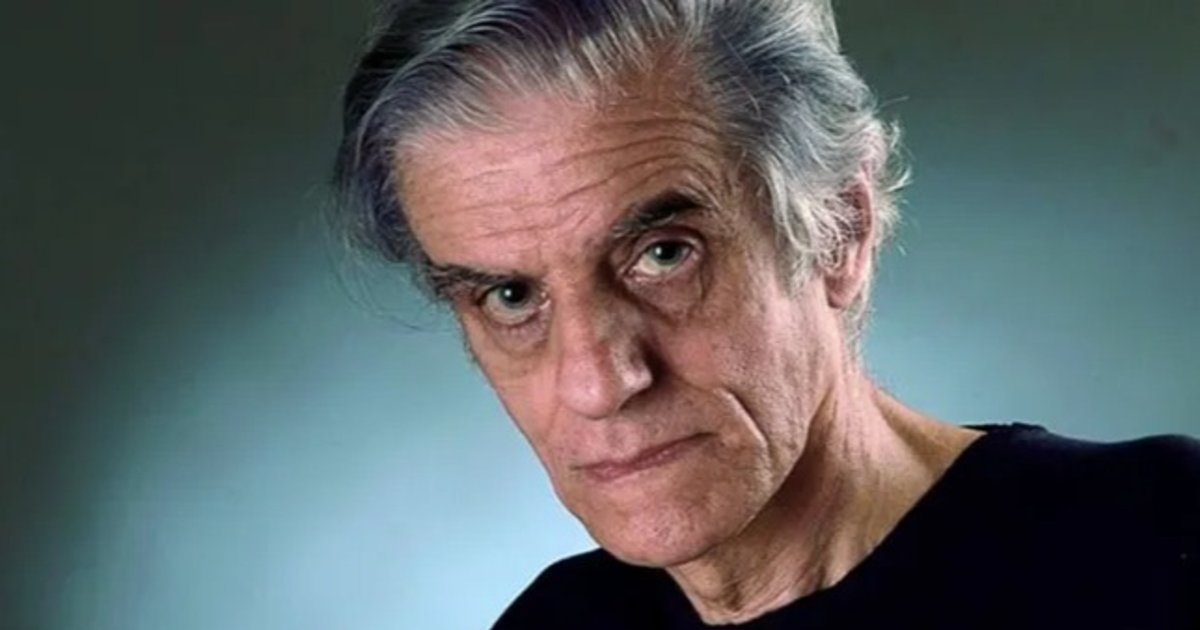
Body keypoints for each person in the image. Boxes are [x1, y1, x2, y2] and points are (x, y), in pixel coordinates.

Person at [332, 1, 1199, 627]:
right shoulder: (561, 623)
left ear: (839, 231)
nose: (599, 383)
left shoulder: (1156, 537)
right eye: (511, 296)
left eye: (664, 253)